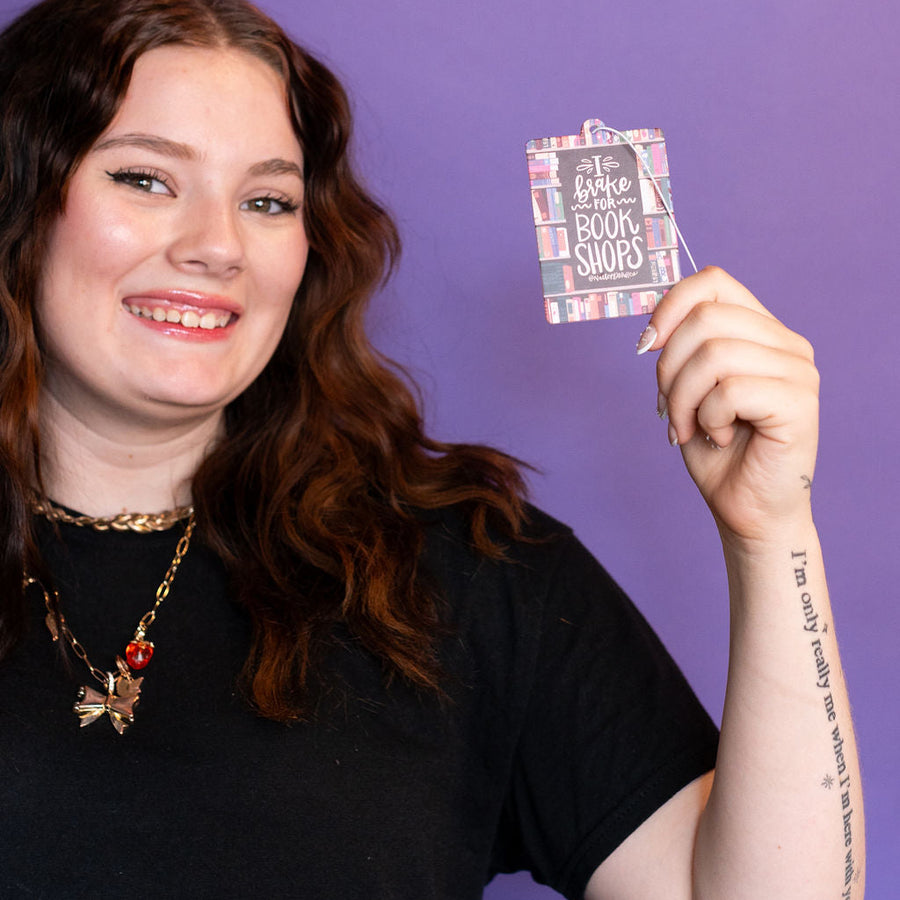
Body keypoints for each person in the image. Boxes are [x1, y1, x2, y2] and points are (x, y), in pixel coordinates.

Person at [0, 0, 864, 897]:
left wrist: (771, 534)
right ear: (22, 194)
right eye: (145, 180)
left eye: (267, 200)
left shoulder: (465, 574)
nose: (218, 247)